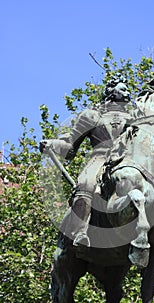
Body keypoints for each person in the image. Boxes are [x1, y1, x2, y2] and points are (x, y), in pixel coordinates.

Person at [40, 75, 140, 247]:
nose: (127, 92)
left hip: (128, 159)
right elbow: (70, 147)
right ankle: (80, 232)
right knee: (86, 183)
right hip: (100, 158)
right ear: (111, 92)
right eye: (123, 89)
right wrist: (52, 144)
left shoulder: (136, 117)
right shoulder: (92, 116)